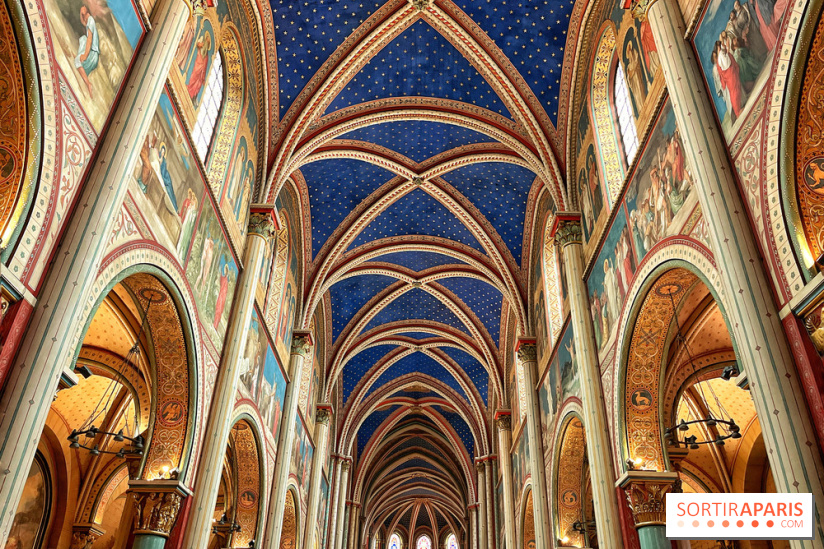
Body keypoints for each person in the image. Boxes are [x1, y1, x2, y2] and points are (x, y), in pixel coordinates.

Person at [74, 5, 99, 98]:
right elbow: (83, 22)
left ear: (88, 12)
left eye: (85, 14)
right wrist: (81, 14)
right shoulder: (89, 21)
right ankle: (80, 56)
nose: (84, 16)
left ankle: (88, 84)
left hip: (92, 54)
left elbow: (90, 39)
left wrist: (85, 55)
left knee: (77, 61)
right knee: (82, 39)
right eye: (82, 14)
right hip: (93, 54)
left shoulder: (91, 20)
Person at [187, 31, 212, 104]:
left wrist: (203, 78)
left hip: (201, 72)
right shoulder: (201, 45)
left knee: (198, 85)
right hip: (197, 66)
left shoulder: (206, 54)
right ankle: (190, 92)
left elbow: (205, 66)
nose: (206, 42)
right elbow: (198, 45)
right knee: (193, 79)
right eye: (206, 40)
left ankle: (194, 97)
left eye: (208, 42)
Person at [176, 189, 198, 259]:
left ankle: (180, 253)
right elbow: (184, 210)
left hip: (188, 227)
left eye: (192, 200)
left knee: (184, 239)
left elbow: (192, 222)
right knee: (182, 236)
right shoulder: (189, 207)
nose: (191, 201)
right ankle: (178, 250)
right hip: (185, 224)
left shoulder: (194, 213)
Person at [213, 262, 230, 330]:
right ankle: (215, 324)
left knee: (219, 310)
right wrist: (219, 272)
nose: (224, 270)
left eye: (225, 270)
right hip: (221, 295)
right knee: (218, 309)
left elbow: (222, 283)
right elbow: (221, 280)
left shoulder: (225, 280)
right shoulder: (224, 278)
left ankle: (215, 325)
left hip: (222, 297)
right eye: (224, 269)